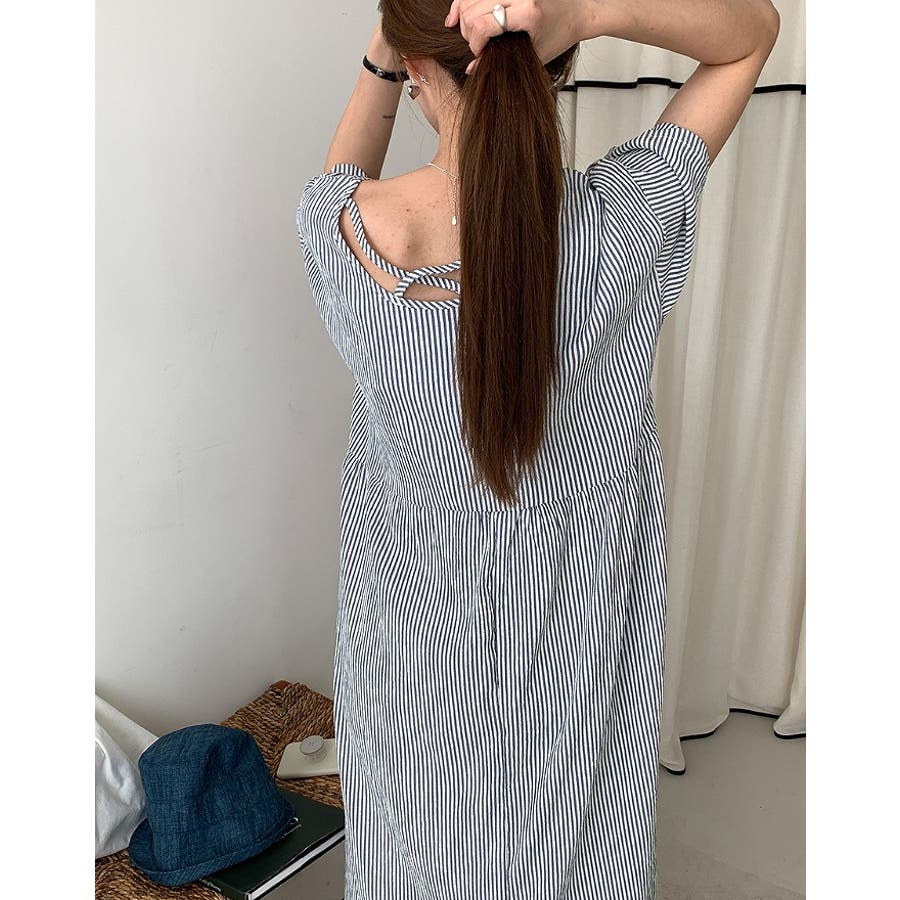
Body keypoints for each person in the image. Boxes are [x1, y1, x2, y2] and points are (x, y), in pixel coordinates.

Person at [295, 0, 780, 897]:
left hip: (412, 632)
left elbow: (340, 177)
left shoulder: (347, 233)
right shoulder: (625, 219)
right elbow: (750, 35)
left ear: (417, 68)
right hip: (579, 629)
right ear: (550, 61)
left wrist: (387, 44)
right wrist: (587, 11)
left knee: (417, 836)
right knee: (577, 833)